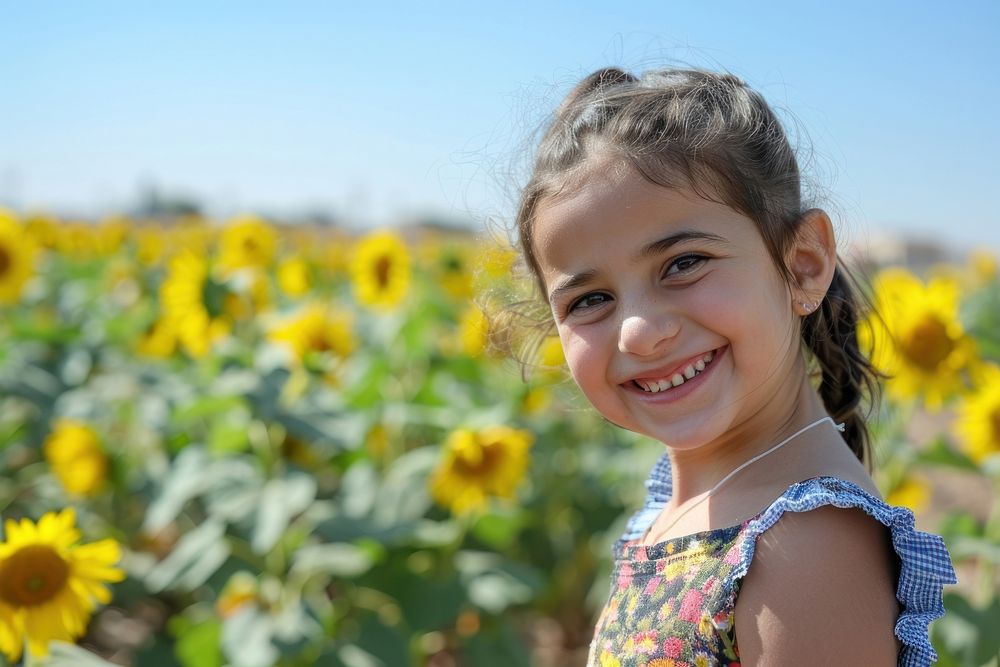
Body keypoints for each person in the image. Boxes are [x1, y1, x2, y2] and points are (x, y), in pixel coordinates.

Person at [511, 67, 957, 666]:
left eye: (684, 263)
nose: (640, 332)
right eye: (589, 300)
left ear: (801, 265)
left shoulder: (806, 546)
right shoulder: (690, 505)